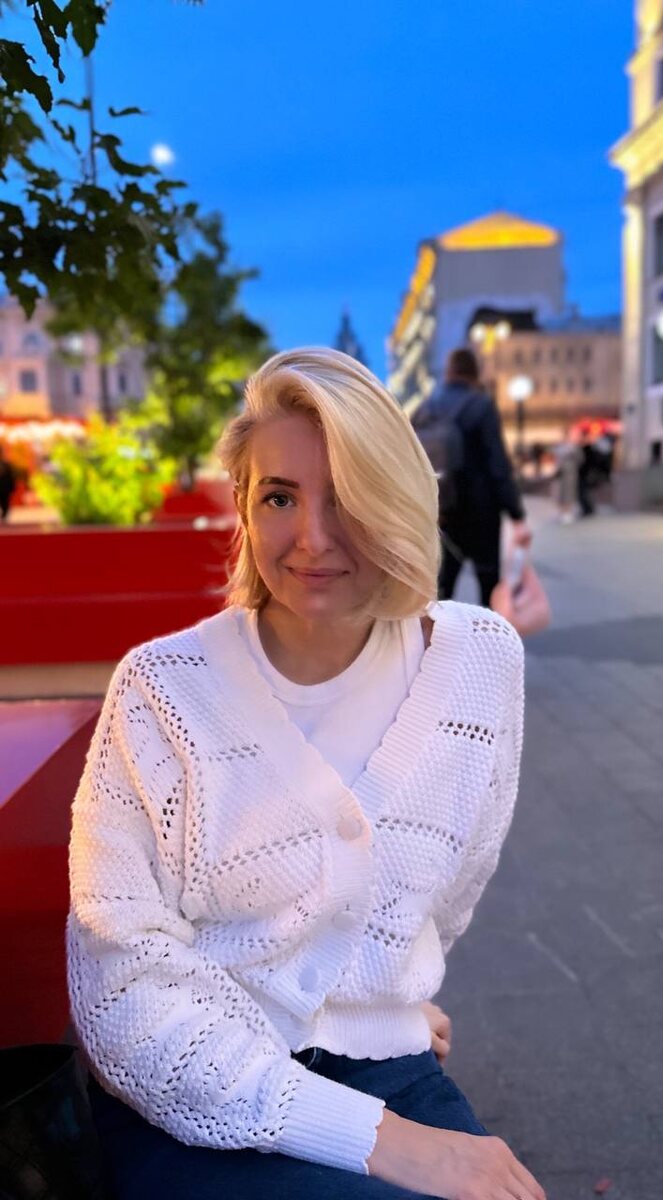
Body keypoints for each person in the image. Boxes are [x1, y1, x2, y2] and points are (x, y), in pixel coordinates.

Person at [67, 348, 545, 1200]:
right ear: (243, 508)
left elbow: (447, 892)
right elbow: (124, 988)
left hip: (390, 1069)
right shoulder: (161, 692)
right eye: (279, 497)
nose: (313, 538)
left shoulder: (478, 663)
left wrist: (379, 996)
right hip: (188, 1085)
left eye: (348, 496)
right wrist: (379, 1140)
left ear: (397, 499)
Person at [412, 348, 531, 606]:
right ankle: (487, 631)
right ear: (475, 374)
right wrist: (517, 516)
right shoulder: (481, 406)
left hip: (441, 514)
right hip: (481, 514)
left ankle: (438, 633)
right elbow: (498, 465)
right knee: (488, 587)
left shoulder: (425, 408)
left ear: (448, 372)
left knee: (440, 591)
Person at [0, 445, 17, 521]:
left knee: (5, 501)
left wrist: (12, 487)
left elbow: (11, 477)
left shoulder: (6, 464)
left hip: (4, 487)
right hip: (4, 487)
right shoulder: (6, 464)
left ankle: (4, 514)